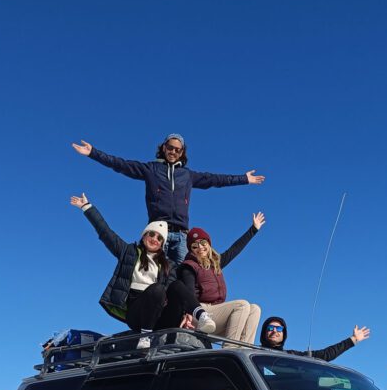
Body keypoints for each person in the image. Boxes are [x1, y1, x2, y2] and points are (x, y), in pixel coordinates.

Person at [71, 133, 265, 264]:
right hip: (158, 232)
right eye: (170, 147)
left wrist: (244, 179)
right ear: (164, 148)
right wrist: (93, 153)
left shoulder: (188, 176)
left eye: (177, 149)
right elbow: (120, 164)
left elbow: (216, 179)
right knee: (153, 272)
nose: (173, 152)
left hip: (181, 234)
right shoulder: (150, 170)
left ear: (182, 153)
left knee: (181, 277)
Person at [70, 193, 217, 337]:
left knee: (177, 285)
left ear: (162, 244)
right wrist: (87, 207)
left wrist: (186, 313)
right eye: (151, 234)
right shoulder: (128, 252)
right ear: (144, 235)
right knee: (157, 289)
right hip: (138, 315)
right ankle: (145, 337)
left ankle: (201, 316)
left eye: (159, 238)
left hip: (162, 316)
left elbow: (178, 291)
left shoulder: (168, 265)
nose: (154, 239)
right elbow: (105, 232)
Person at [178, 216, 264, 345]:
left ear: (208, 243)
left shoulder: (216, 264)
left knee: (255, 309)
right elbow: (188, 293)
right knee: (241, 305)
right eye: (194, 246)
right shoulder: (189, 266)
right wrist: (187, 312)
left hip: (216, 313)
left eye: (203, 243)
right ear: (191, 249)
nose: (200, 247)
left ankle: (245, 349)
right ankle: (230, 350)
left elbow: (234, 250)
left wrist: (253, 229)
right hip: (200, 313)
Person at [259, 316, 371, 361]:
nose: (274, 331)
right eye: (270, 328)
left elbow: (325, 355)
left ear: (284, 334)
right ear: (264, 332)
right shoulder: (254, 353)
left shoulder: (290, 356)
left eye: (279, 329)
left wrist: (353, 340)